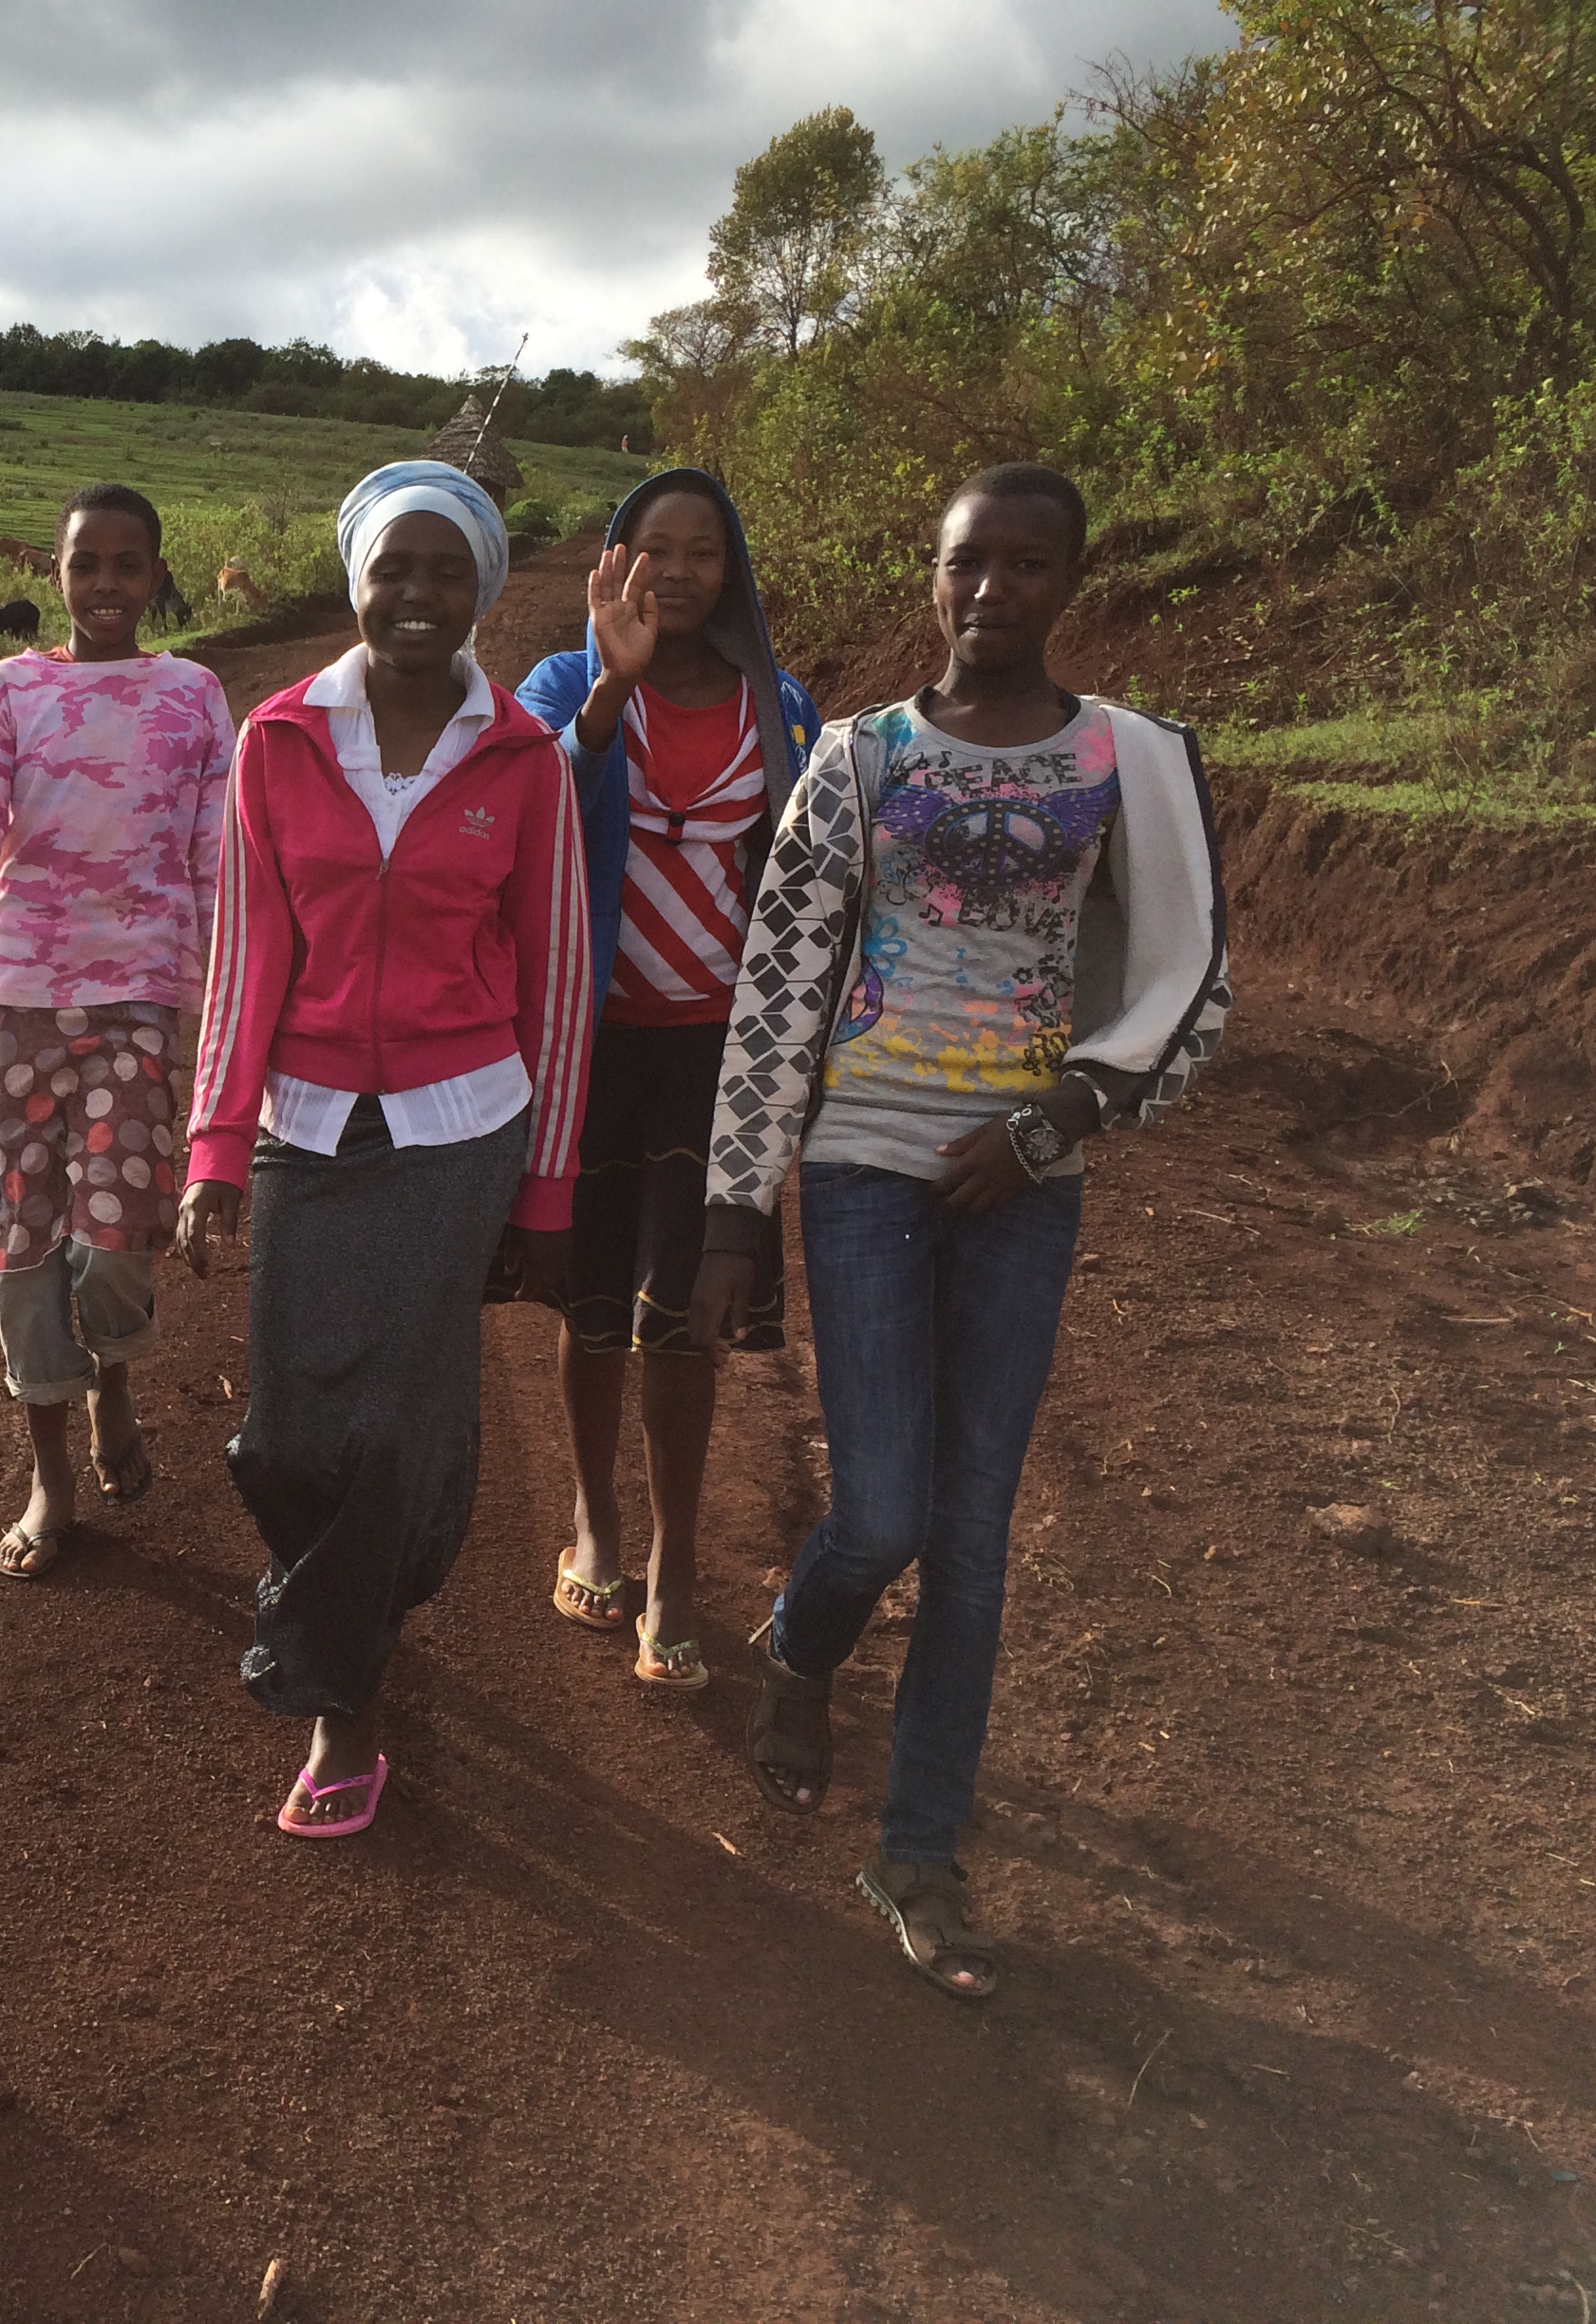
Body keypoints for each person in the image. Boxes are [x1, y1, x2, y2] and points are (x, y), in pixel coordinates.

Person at [689, 462, 1229, 2001]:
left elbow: (1189, 984)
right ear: (931, 574)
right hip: (863, 1156)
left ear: (1071, 579)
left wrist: (1049, 1126)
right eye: (965, 561)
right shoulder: (857, 758)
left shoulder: (1128, 759)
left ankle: (918, 1850)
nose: (990, 589)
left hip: (1022, 1184)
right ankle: (801, 1646)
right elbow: (781, 981)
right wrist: (734, 1203)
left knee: (974, 1533)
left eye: (1026, 563)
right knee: (881, 1515)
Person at [178, 460, 593, 1840]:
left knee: (388, 1425)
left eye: (445, 570)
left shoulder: (524, 760)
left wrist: (546, 1190)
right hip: (305, 1121)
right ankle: (374, 1574)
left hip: (460, 1129)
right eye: (391, 569)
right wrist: (214, 1149)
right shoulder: (278, 740)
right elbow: (248, 957)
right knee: (288, 1434)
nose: (417, 593)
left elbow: (556, 981)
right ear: (353, 580)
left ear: (482, 590)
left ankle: (336, 1704)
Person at [0, 484, 234, 1579]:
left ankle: (112, 1380)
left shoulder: (193, 694)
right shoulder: (5, 691)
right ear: (56, 573)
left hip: (142, 1003)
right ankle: (51, 1477)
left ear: (158, 575)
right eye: (87, 564)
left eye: (129, 565)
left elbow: (216, 864)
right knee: (22, 1249)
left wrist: (217, 1016)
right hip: (20, 999)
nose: (107, 585)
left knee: (114, 1246)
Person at [516, 472, 817, 1690]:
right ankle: (597, 1519)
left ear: (731, 570)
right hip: (589, 1045)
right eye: (654, 550)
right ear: (614, 563)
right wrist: (612, 689)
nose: (678, 573)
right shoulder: (560, 684)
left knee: (689, 1314)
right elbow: (522, 809)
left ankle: (676, 1562)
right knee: (591, 1304)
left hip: (721, 1056)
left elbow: (810, 877)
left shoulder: (778, 706)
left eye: (703, 552)